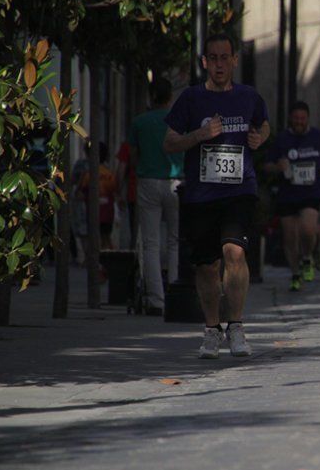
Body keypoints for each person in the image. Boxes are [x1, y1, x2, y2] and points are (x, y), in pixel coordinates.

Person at [162, 33, 270, 359]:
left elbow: (264, 126)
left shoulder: (249, 97)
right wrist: (200, 134)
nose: (220, 64)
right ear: (205, 62)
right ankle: (212, 330)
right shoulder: (191, 99)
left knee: (235, 253)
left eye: (226, 57)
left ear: (235, 60)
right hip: (201, 194)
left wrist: (258, 138)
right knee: (207, 266)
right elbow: (169, 142)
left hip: (240, 190)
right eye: (214, 58)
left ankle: (235, 326)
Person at [266, 101, 320, 291]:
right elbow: (267, 165)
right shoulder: (282, 139)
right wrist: (277, 167)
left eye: (302, 118)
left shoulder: (318, 136)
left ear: (307, 119)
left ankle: (307, 257)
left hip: (311, 192)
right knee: (289, 237)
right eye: (296, 118)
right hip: (287, 194)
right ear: (291, 118)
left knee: (308, 229)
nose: (299, 122)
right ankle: (295, 273)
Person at [129, 77, 184, 316]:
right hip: (176, 181)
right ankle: (175, 292)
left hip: (148, 180)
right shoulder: (179, 121)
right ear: (170, 96)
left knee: (150, 243)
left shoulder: (139, 122)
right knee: (175, 241)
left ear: (151, 96)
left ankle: (156, 299)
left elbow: (133, 156)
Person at [78, 142, 117, 250]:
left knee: (94, 237)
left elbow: (80, 193)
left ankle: (95, 259)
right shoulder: (109, 173)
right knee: (106, 237)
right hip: (108, 211)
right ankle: (107, 258)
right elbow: (114, 190)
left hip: (92, 211)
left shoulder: (88, 174)